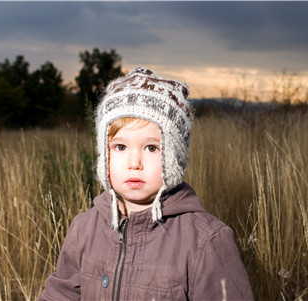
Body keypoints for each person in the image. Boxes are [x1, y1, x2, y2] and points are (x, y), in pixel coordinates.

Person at [38, 67, 254, 300]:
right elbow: (61, 294)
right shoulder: (84, 228)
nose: (134, 163)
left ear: (174, 158)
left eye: (151, 148)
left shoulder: (205, 241)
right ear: (103, 154)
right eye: (120, 147)